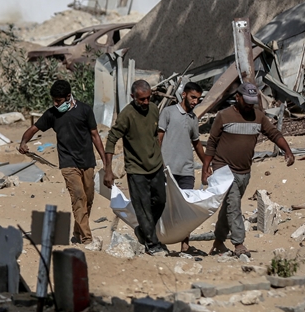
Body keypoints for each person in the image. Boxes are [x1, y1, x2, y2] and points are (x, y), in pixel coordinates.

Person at [202, 82, 294, 258]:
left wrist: (287, 151)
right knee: (234, 205)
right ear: (237, 98)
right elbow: (212, 142)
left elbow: (274, 134)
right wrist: (206, 168)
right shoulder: (224, 116)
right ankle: (239, 244)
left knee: (229, 207)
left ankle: (218, 241)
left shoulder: (258, 117)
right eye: (247, 102)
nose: (250, 106)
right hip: (224, 170)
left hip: (244, 171)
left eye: (253, 102)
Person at [18, 80, 105, 245]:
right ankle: (87, 238)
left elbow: (95, 135)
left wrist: (105, 161)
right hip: (68, 163)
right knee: (78, 196)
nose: (56, 104)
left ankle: (78, 232)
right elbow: (34, 129)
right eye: (54, 100)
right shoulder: (52, 114)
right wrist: (23, 142)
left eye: (58, 101)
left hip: (87, 161)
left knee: (88, 198)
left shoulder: (84, 110)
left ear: (68, 96)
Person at [104, 80, 167, 256]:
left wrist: (159, 156)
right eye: (141, 99)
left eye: (148, 98)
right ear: (133, 97)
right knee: (143, 207)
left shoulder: (154, 109)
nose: (146, 102)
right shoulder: (126, 115)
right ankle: (152, 244)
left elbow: (154, 136)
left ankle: (143, 231)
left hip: (155, 166)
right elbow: (111, 139)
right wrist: (108, 170)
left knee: (160, 201)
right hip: (136, 169)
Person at [157, 81, 206, 253]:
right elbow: (159, 138)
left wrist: (206, 163)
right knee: (163, 206)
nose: (195, 101)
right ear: (184, 94)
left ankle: (185, 245)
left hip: (186, 171)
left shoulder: (193, 119)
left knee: (186, 208)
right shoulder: (168, 112)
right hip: (167, 169)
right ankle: (159, 241)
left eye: (198, 99)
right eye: (193, 97)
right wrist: (158, 162)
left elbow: (197, 143)